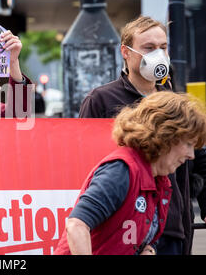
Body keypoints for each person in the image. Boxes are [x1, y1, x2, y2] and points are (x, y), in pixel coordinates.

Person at [78, 15, 206, 254]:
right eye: (149, 48)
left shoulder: (172, 101)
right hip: (127, 229)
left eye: (163, 47)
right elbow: (87, 165)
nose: (158, 54)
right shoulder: (101, 100)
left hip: (173, 226)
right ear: (126, 52)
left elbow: (198, 156)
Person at [54, 91, 206, 255]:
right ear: (167, 136)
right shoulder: (121, 171)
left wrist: (149, 251)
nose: (191, 155)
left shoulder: (160, 181)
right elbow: (76, 225)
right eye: (189, 144)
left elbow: (140, 240)